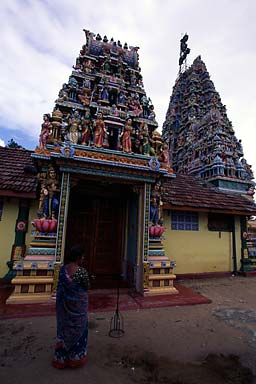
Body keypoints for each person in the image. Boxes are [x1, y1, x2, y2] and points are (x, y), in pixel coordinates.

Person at [52, 246, 90, 369]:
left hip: (64, 307)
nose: (83, 259)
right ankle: (75, 357)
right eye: (82, 256)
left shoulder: (63, 270)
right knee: (79, 328)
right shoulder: (81, 272)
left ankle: (61, 358)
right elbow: (86, 286)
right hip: (78, 308)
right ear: (78, 258)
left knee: (63, 329)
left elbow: (60, 287)